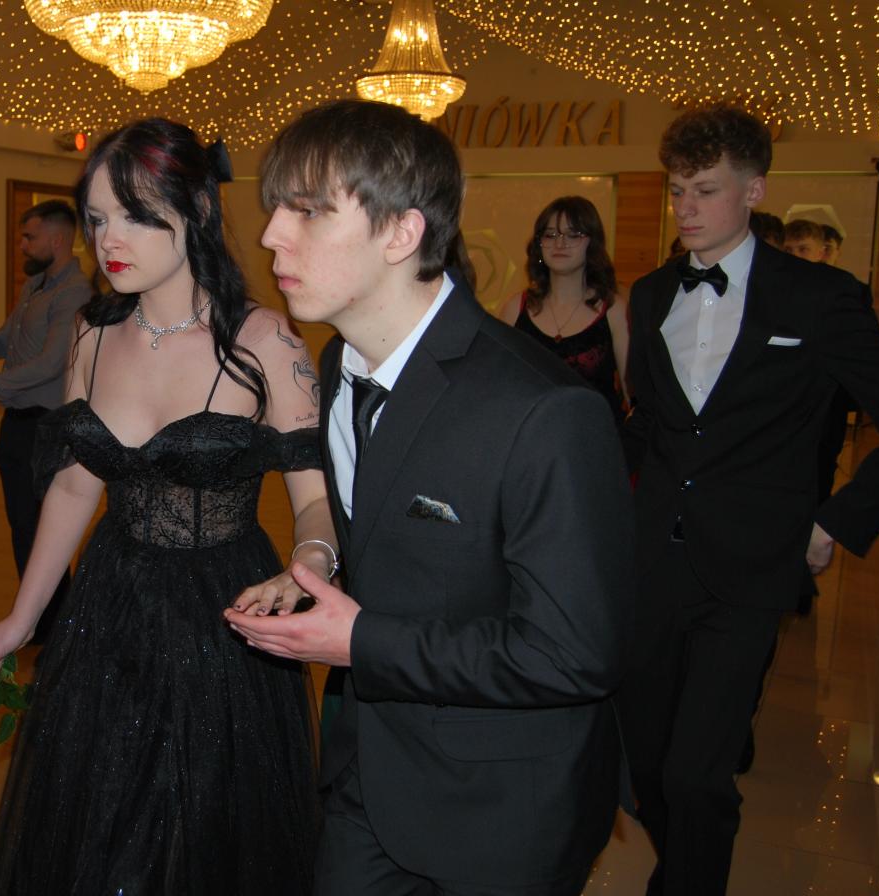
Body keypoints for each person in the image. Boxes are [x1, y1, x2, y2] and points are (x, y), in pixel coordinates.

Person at [228, 99, 634, 896]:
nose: (272, 234)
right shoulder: (340, 363)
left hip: (500, 805)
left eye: (307, 210)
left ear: (401, 233)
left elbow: (575, 653)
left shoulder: (543, 410)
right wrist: (319, 565)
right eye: (276, 208)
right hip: (371, 775)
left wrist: (362, 640)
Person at [0, 118, 330, 895]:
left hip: (225, 616)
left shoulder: (265, 341)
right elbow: (75, 485)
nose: (109, 240)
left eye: (133, 215)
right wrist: (22, 619)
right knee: (103, 817)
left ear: (196, 208)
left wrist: (309, 565)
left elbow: (314, 500)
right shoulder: (91, 336)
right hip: (110, 603)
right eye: (97, 219)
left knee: (208, 830)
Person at [618, 104, 879, 896]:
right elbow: (652, 428)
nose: (686, 209)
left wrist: (836, 520)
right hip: (653, 560)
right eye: (677, 191)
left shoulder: (821, 298)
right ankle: (683, 866)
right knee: (643, 763)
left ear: (755, 190)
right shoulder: (652, 294)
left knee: (700, 772)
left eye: (705, 191)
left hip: (751, 566)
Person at [0, 199, 91, 643]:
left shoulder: (75, 293)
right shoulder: (34, 286)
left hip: (45, 425)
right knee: (23, 527)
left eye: (30, 237)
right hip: (17, 424)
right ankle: (37, 622)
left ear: (58, 239)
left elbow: (52, 363)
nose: (23, 245)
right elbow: (6, 343)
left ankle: (56, 626)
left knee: (42, 530)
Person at [498, 196, 629, 426]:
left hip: (596, 439)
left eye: (573, 235)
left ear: (592, 243)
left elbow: (634, 397)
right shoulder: (514, 308)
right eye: (550, 235)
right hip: (531, 439)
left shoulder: (614, 309)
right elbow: (500, 387)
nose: (559, 244)